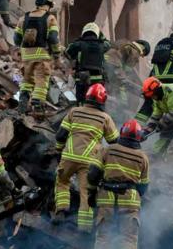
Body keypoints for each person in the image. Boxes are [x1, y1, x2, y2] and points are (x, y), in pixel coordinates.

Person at [54, 83, 119, 233]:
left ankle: (61, 211)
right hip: (90, 161)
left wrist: (58, 150)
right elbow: (114, 142)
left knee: (62, 181)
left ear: (87, 97)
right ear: (103, 100)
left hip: (69, 156)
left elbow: (61, 135)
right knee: (86, 192)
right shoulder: (105, 118)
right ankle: (84, 228)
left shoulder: (74, 112)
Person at [87, 119, 149, 249]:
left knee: (103, 237)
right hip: (130, 199)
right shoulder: (142, 157)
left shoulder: (108, 150)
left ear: (122, 133)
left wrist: (92, 193)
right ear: (138, 137)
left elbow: (93, 173)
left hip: (106, 196)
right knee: (128, 239)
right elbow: (143, 186)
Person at [135, 27, 173, 125]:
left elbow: (158, 63)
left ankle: (134, 128)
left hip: (155, 80)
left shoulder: (160, 44)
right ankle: (170, 129)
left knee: (148, 105)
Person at [14, 0, 61, 114]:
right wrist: (56, 53)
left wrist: (24, 49)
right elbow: (53, 38)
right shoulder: (50, 18)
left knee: (27, 80)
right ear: (48, 6)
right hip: (42, 55)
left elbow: (16, 38)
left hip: (26, 55)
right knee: (41, 80)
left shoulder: (23, 18)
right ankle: (38, 105)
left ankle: (23, 101)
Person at [104, 39, 150, 124]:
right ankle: (119, 114)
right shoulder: (135, 51)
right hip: (114, 65)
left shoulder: (124, 44)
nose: (140, 57)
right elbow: (127, 71)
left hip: (104, 64)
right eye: (142, 55)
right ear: (143, 49)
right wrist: (140, 90)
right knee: (122, 86)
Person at [65, 22, 111, 105]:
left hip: (82, 80)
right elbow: (108, 43)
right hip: (98, 81)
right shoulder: (102, 45)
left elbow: (67, 51)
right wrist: (100, 34)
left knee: (81, 102)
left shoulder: (78, 44)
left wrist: (78, 40)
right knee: (97, 102)